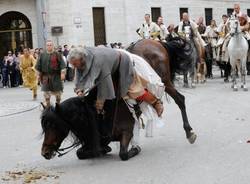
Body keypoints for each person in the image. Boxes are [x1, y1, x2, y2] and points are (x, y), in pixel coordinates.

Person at [35, 40, 66, 106]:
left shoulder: (57, 54)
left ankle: (58, 105)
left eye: (50, 45)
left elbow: (62, 65)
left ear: (53, 46)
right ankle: (48, 107)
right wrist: (37, 75)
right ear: (46, 46)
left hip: (56, 76)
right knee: (46, 93)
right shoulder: (42, 55)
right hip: (45, 76)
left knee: (58, 94)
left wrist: (62, 73)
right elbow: (38, 66)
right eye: (48, 45)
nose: (49, 46)